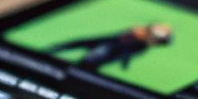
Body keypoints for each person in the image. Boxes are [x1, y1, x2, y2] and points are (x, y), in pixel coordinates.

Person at [45, 23, 174, 70]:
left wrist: (125, 62)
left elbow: (125, 53)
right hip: (105, 43)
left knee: (87, 64)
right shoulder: (137, 34)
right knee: (73, 45)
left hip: (107, 51)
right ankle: (47, 52)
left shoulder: (141, 46)